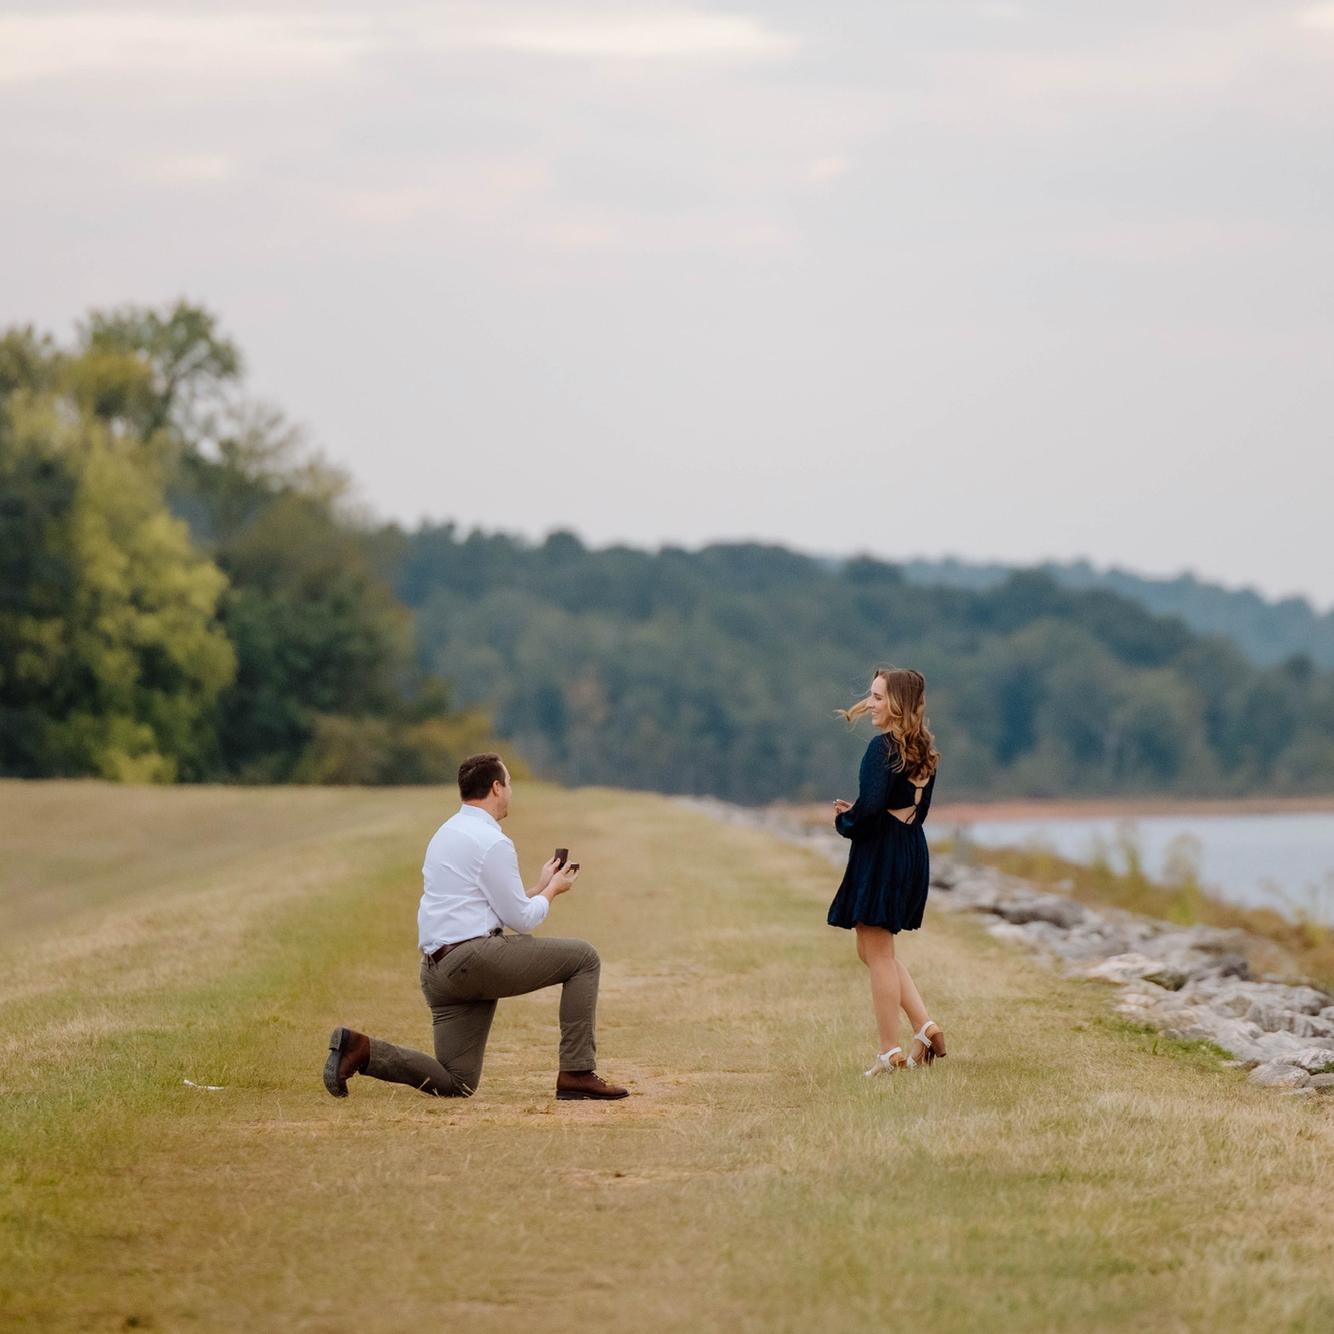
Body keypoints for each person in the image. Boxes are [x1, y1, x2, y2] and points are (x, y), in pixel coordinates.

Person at [322, 752, 629, 1101]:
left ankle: (361, 1050)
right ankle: (577, 1072)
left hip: (438, 970)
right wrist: (554, 892)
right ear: (496, 788)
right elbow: (523, 920)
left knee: (458, 1081)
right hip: (472, 961)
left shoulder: (446, 832)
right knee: (583, 958)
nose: (512, 791)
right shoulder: (493, 841)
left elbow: (488, 908)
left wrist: (541, 886)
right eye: (510, 783)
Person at [827, 667, 947, 1076]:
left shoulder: (883, 748)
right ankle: (926, 1027)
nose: (871, 704)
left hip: (883, 854)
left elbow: (872, 808)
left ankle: (888, 1051)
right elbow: (915, 809)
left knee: (877, 954)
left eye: (878, 697)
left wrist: (846, 819)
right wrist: (861, 814)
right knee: (873, 950)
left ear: (897, 703)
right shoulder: (924, 747)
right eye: (872, 696)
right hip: (910, 849)